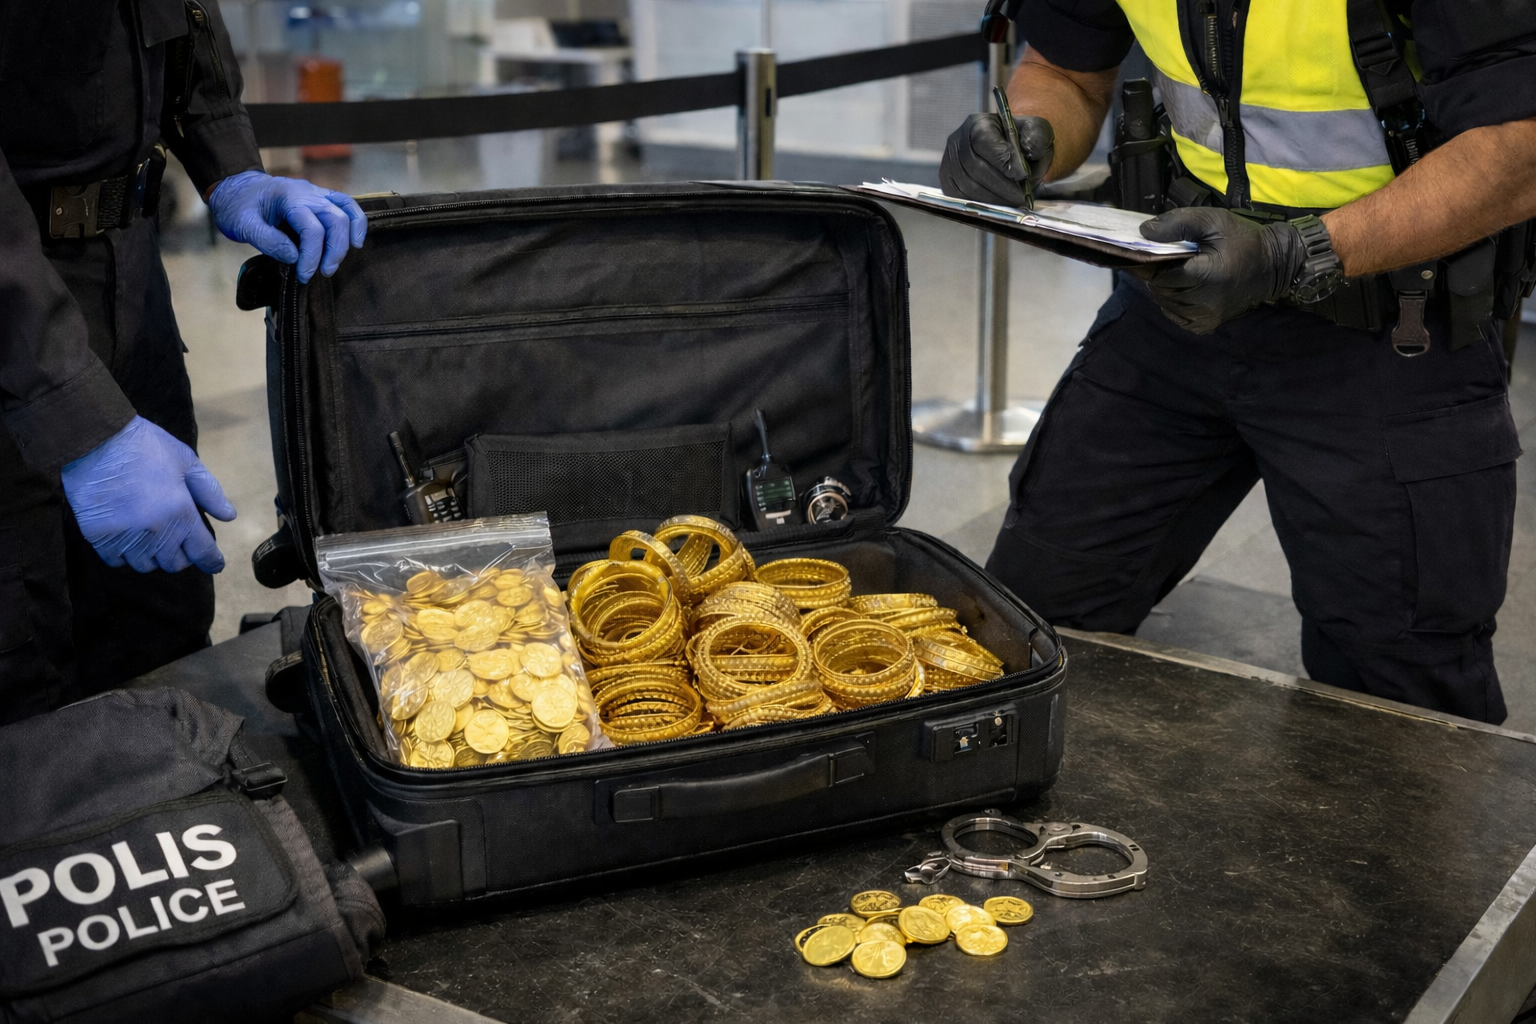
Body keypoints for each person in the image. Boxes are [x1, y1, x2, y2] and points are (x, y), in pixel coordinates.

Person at [940, 0, 1536, 723]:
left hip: (1391, 330)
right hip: (1181, 303)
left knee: (1401, 693)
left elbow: (1519, 146)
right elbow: (1066, 71)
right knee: (1025, 620)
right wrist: (1026, 138)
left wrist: (1294, 254)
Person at [0, 0, 367, 722]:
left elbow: (179, 16)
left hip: (129, 280)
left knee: (160, 631)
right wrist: (75, 414)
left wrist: (231, 169)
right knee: (22, 655)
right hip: (17, 315)